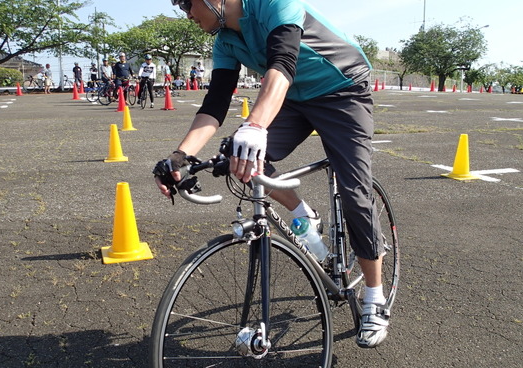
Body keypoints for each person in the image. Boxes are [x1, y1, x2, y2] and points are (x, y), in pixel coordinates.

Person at [155, 0, 389, 348]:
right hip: (294, 98)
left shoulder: (275, 4)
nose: (187, 13)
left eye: (188, 3)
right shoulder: (224, 42)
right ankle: (302, 214)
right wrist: (180, 156)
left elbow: (282, 64)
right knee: (240, 156)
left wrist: (256, 124)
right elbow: (215, 104)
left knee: (355, 193)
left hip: (342, 89)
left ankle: (375, 297)